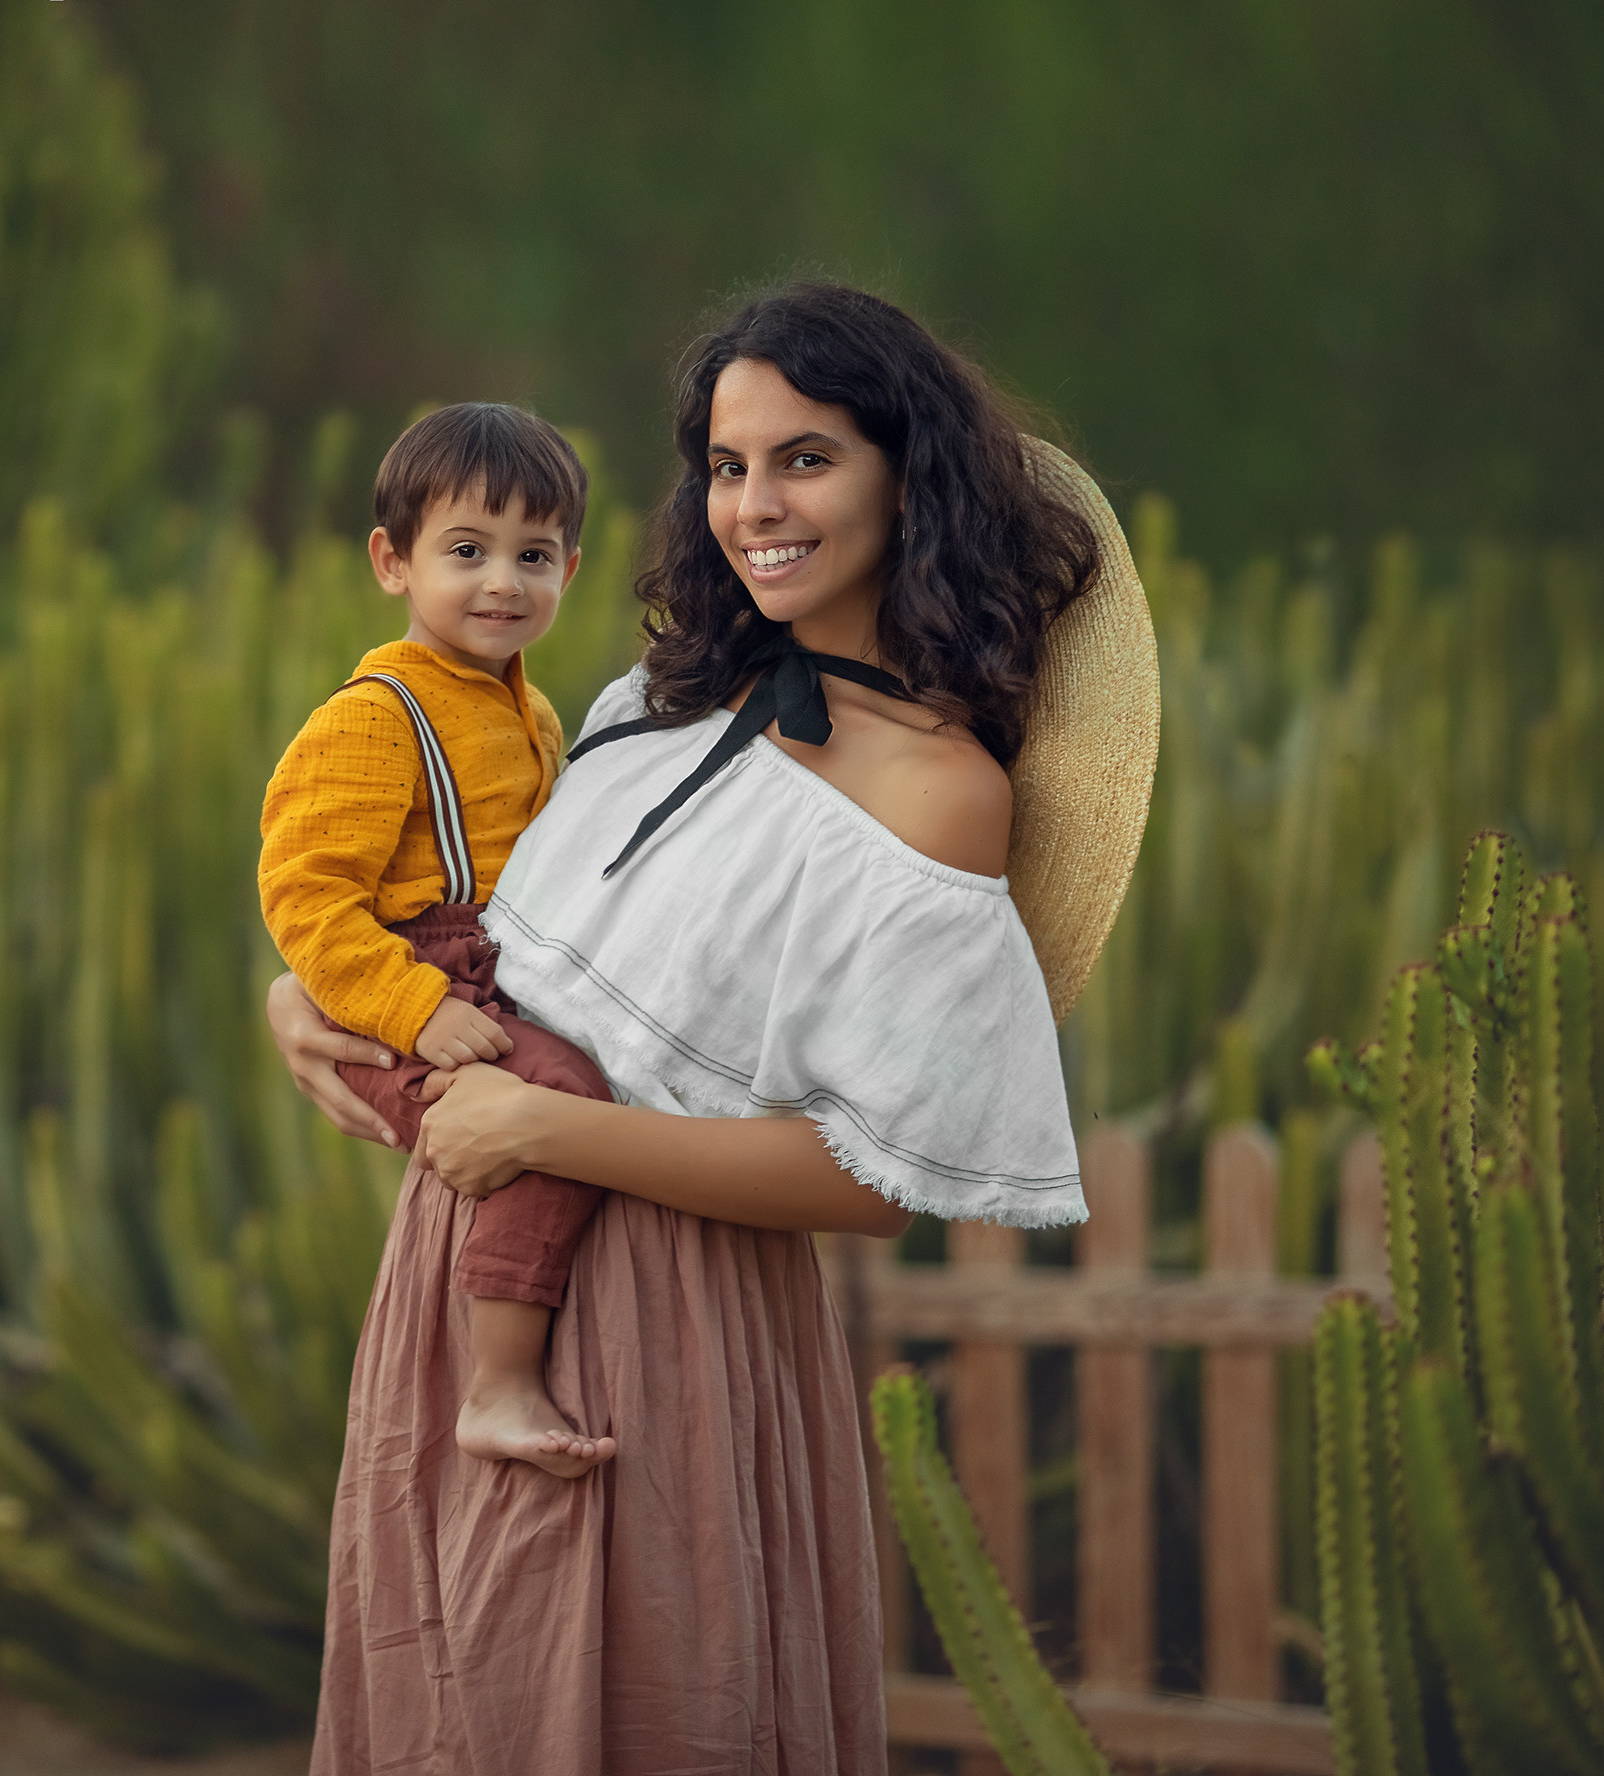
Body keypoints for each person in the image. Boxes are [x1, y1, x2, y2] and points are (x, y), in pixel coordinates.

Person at [268, 281, 1160, 1773]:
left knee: (637, 1717)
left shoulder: (937, 793)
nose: (754, 503)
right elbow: (495, 944)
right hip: (462, 1274)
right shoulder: (644, 699)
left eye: (803, 458)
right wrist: (304, 996)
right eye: (728, 464)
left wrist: (550, 1128)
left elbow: (871, 1184)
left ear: (906, 475)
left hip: (678, 1325)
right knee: (451, 1714)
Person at [259, 402, 621, 1481]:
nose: (503, 581)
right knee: (552, 1105)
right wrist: (417, 1009)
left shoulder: (536, 713)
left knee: (578, 1084)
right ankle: (498, 1384)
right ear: (392, 561)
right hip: (413, 983)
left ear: (570, 568)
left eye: (534, 555)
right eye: (467, 551)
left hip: (496, 967)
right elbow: (308, 897)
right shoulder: (375, 716)